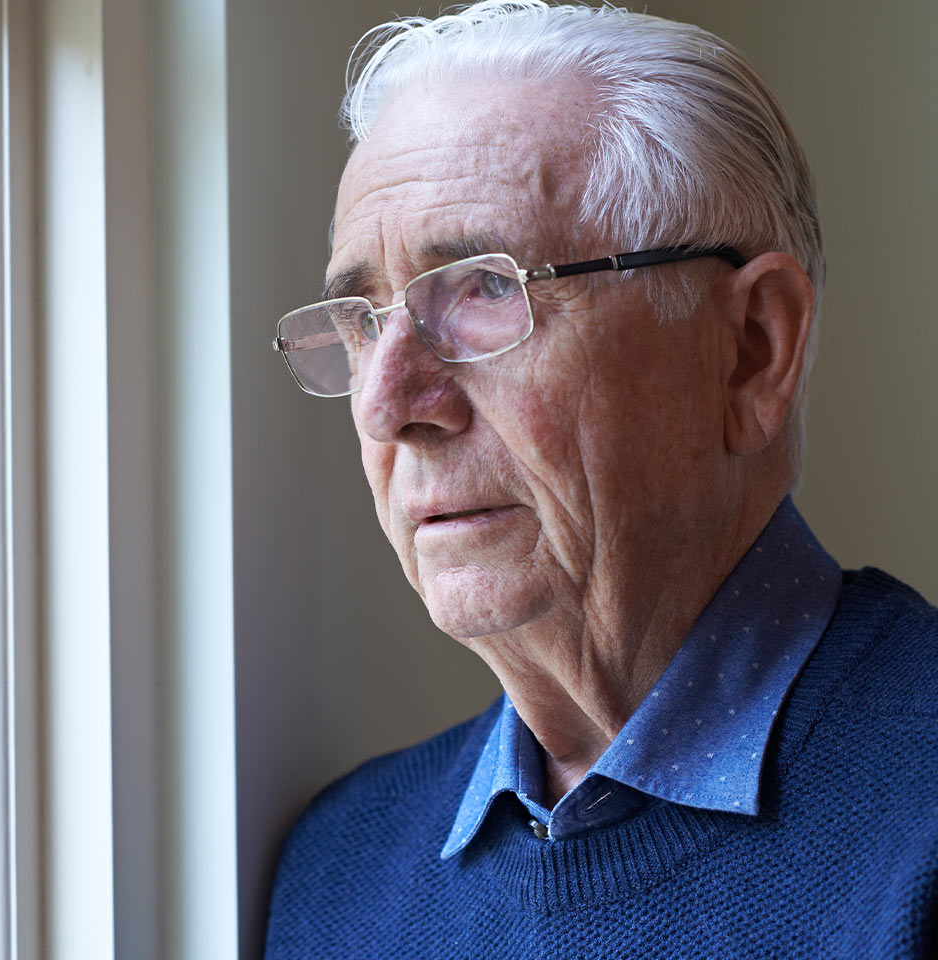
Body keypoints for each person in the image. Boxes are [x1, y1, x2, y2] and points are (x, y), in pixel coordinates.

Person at [264, 2, 938, 956]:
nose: (386, 405)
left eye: (486, 289)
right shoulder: (340, 870)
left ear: (750, 352)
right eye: (364, 320)